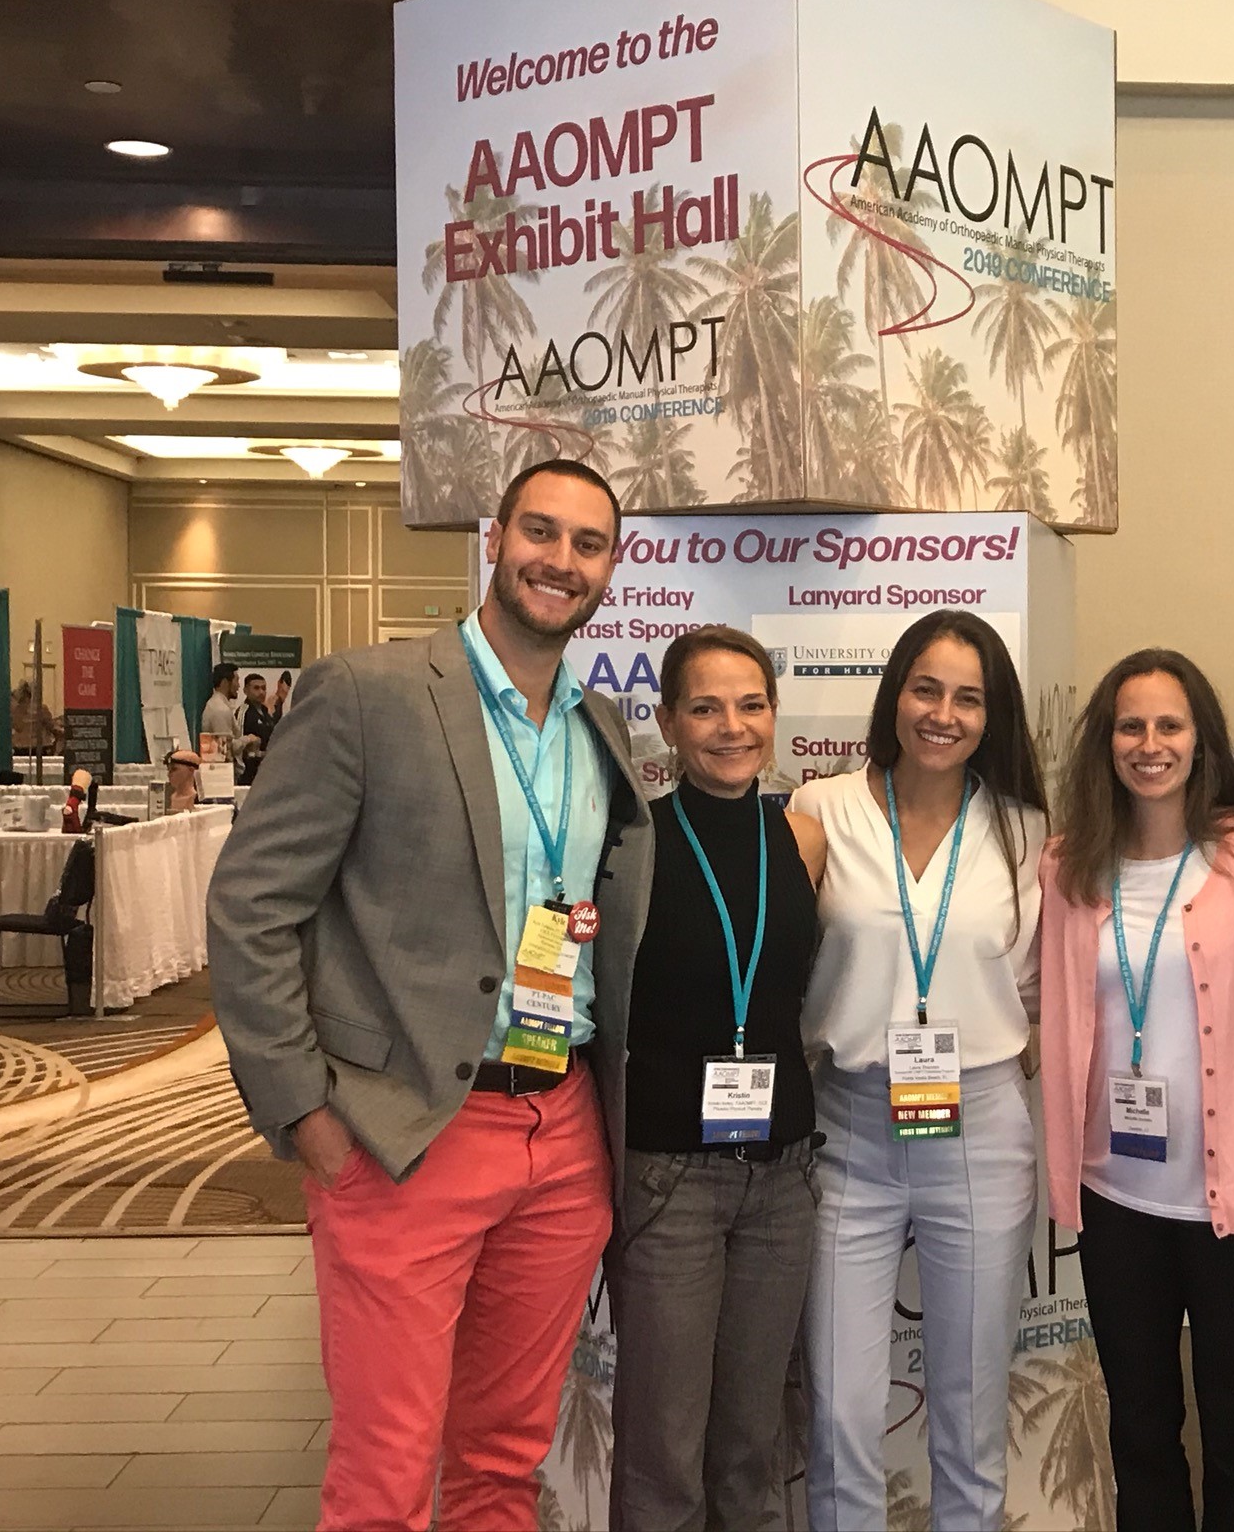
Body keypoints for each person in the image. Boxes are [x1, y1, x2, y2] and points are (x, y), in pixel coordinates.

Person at [207, 458, 655, 1532]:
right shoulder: (368, 693)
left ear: (611, 567)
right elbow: (250, 906)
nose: (560, 560)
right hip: (403, 1130)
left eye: (587, 543)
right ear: (495, 541)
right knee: (386, 1477)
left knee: (503, 1462)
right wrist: (304, 1111)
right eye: (539, 532)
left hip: (562, 1131)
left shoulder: (601, 728)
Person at [791, 609, 1047, 1532]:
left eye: (968, 698)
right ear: (894, 695)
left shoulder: (1024, 831)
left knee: (971, 1407)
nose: (944, 714)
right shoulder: (821, 809)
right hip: (848, 1128)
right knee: (840, 1411)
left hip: (977, 1131)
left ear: (993, 715)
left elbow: (1033, 988)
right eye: (926, 689)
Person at [1040, 648, 1234, 1532]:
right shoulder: (1068, 867)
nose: (1150, 745)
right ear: (1105, 743)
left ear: (1200, 739)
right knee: (1141, 1425)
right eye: (1131, 727)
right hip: (1117, 1198)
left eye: (1170, 725)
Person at [608, 625, 827, 1532]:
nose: (732, 727)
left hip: (783, 1178)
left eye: (751, 705)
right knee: (664, 1449)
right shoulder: (633, 843)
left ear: (775, 714)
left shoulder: (804, 839)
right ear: (666, 722)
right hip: (671, 1183)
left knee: (751, 1441)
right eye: (705, 708)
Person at [235, 671, 275, 785]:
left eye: (263, 688)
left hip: (266, 770)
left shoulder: (266, 712)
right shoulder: (243, 712)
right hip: (248, 772)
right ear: (245, 690)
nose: (261, 692)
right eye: (256, 688)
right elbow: (238, 743)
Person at [201, 661, 240, 740]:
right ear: (225, 682)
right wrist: (247, 740)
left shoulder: (218, 705)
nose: (238, 685)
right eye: (236, 680)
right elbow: (225, 744)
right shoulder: (220, 709)